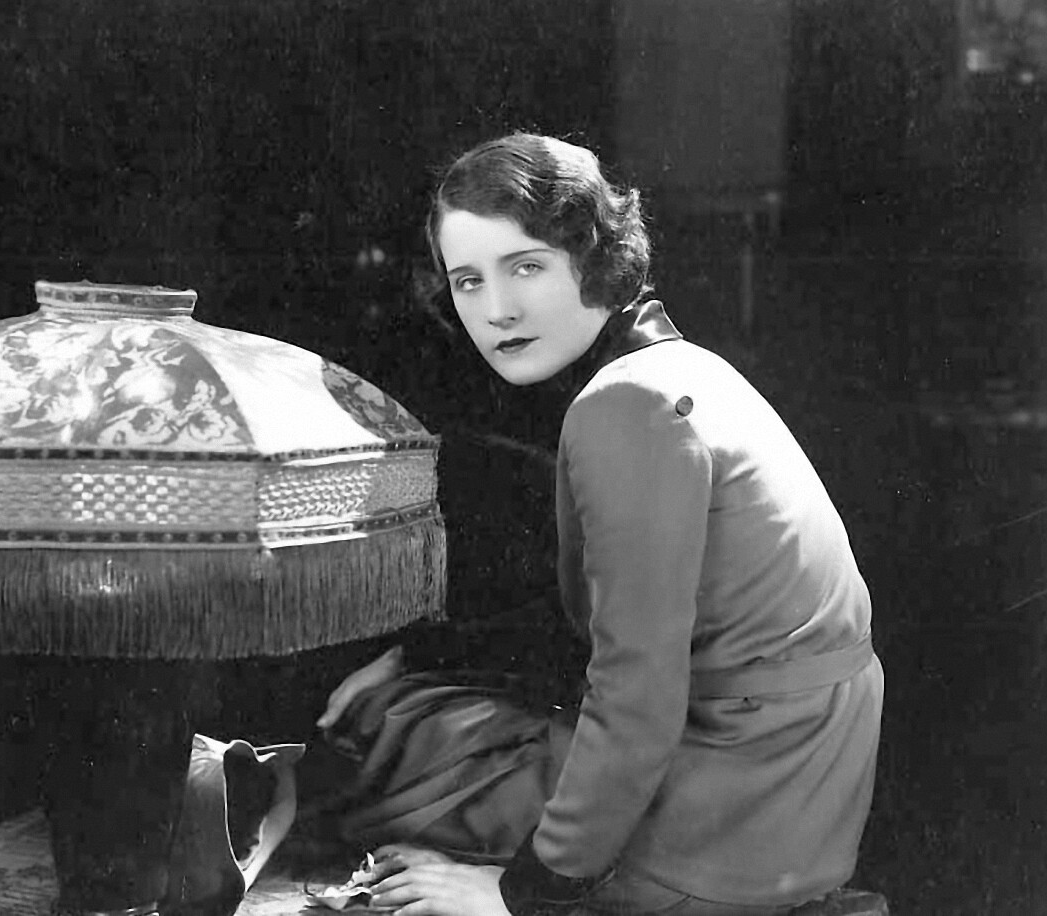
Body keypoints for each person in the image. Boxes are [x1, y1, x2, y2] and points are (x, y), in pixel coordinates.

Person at [314, 132, 883, 916]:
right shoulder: (685, 369)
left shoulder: (626, 408)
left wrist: (519, 896)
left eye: (526, 267)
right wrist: (419, 655)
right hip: (795, 796)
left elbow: (638, 698)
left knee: (379, 747)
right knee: (412, 710)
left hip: (726, 823)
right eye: (468, 280)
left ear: (594, 259)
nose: (496, 309)